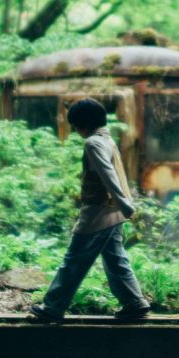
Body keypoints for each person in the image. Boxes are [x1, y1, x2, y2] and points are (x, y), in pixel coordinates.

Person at [30, 98, 151, 323]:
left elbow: (108, 175)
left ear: (84, 123)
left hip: (99, 213)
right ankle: (135, 303)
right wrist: (123, 205)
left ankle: (52, 307)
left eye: (75, 125)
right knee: (116, 260)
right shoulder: (108, 141)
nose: (75, 131)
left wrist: (125, 204)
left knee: (74, 260)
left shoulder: (93, 143)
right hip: (113, 213)